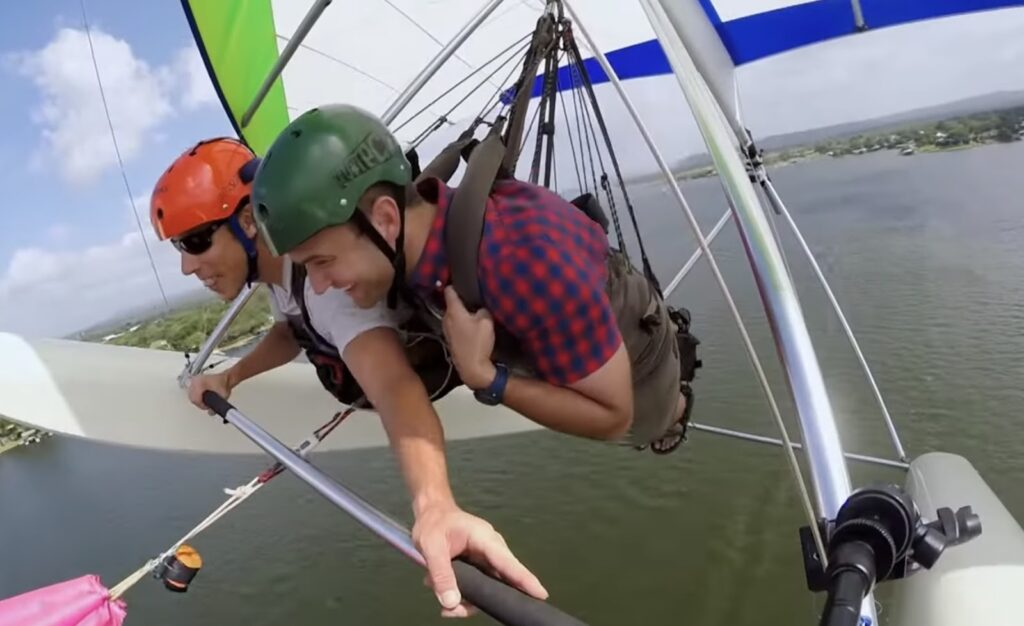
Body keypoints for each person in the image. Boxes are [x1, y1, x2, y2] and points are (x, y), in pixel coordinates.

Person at [149, 137, 547, 618]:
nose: (187, 266)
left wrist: (435, 504)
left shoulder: (329, 293)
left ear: (249, 221)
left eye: (196, 241)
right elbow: (290, 331)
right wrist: (231, 377)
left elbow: (394, 387)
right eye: (179, 247)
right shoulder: (285, 273)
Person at [250, 103, 701, 456]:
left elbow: (614, 418)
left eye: (322, 261)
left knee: (653, 420)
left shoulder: (525, 262)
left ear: (385, 219)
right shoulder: (416, 229)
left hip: (636, 389)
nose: (320, 285)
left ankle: (678, 409)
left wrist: (484, 375)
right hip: (569, 334)